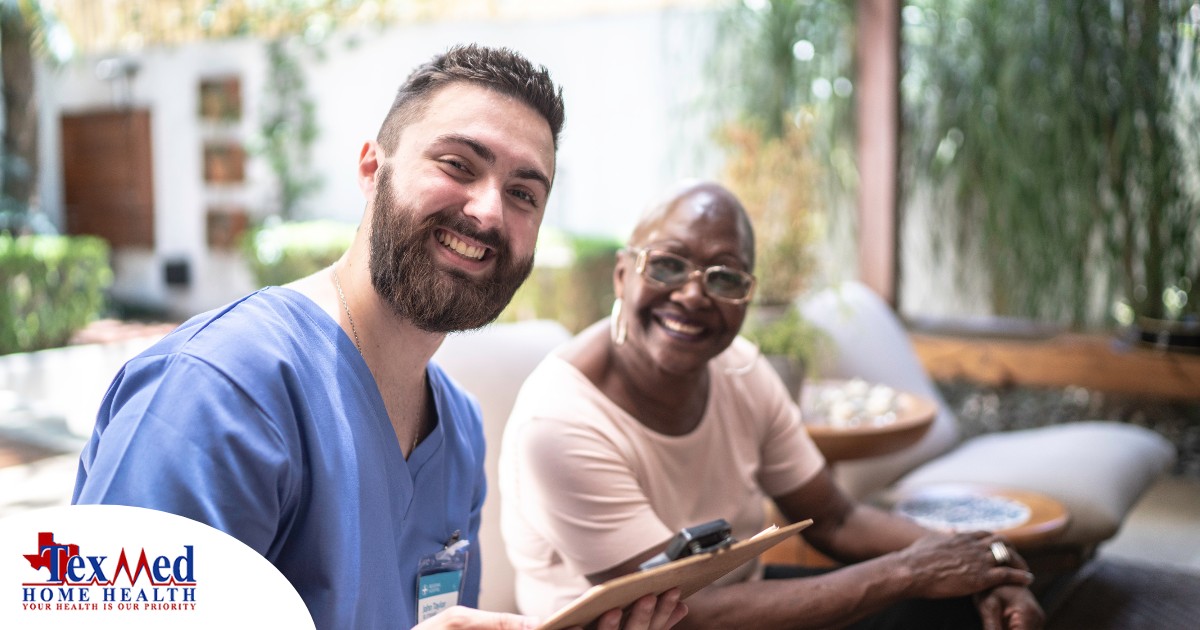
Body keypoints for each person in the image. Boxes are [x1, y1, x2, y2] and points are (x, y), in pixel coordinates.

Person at [72, 44, 686, 630]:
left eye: (523, 193)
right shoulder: (219, 390)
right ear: (372, 168)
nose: (489, 212)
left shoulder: (459, 431)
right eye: (457, 165)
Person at [499, 180, 1045, 629]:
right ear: (623, 274)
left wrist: (983, 565)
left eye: (724, 277)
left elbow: (836, 518)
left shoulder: (741, 369)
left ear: (747, 296)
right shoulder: (561, 421)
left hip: (738, 604)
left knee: (958, 610)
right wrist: (909, 572)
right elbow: (677, 611)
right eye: (667, 265)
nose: (693, 294)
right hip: (655, 624)